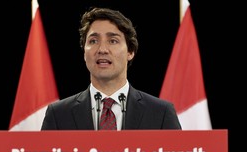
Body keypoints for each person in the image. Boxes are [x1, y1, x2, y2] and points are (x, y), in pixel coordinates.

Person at [41, 7, 181, 130]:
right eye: (93, 41)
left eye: (113, 41)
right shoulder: (58, 115)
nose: (102, 49)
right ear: (84, 52)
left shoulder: (161, 113)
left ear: (130, 52)